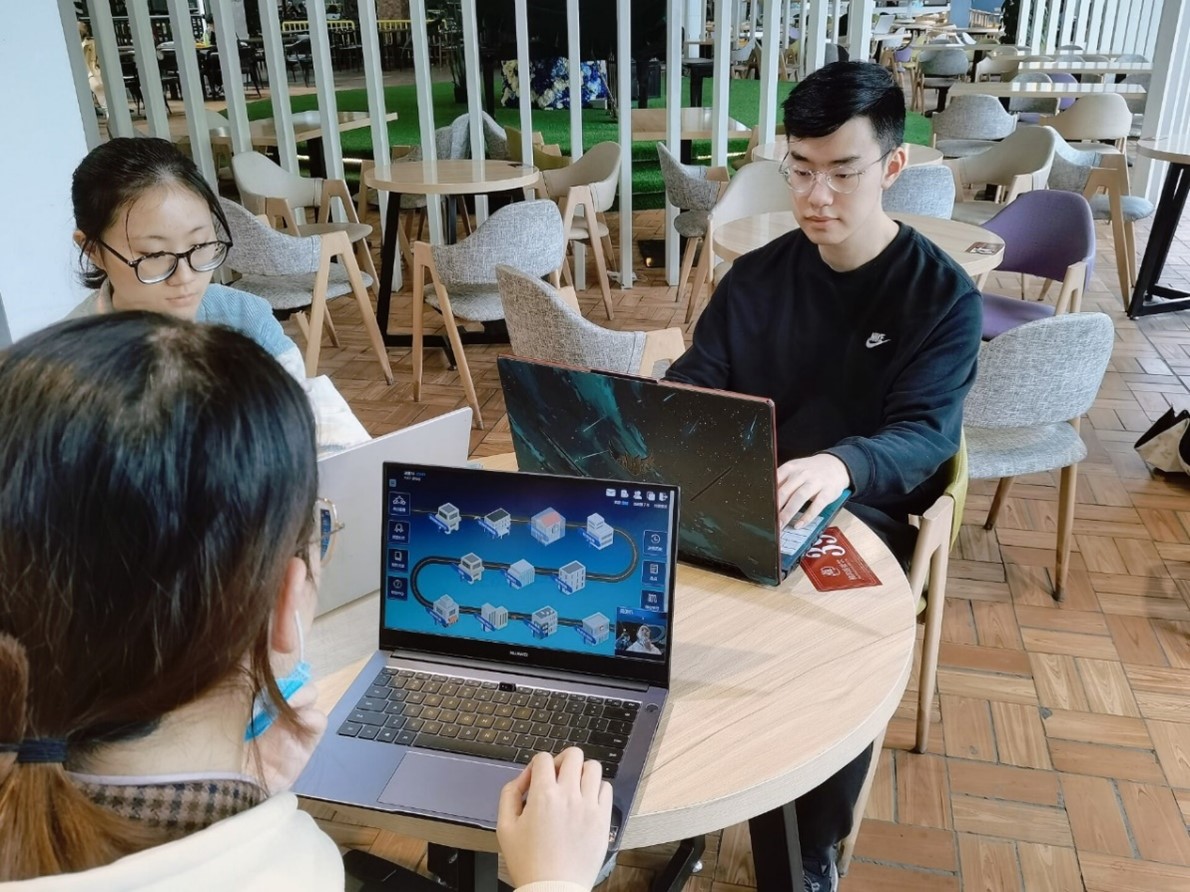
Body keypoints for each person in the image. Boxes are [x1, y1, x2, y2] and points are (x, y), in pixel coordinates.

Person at [0, 312, 613, 890]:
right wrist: (553, 878)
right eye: (320, 524)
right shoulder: (295, 872)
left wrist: (247, 790)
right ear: (283, 604)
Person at [666, 61, 981, 891]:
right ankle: (665, 789)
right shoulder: (756, 277)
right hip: (744, 495)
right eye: (800, 171)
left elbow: (925, 436)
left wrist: (841, 462)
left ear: (893, 166)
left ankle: (807, 851)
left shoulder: (940, 297)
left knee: (832, 655)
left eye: (843, 172)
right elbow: (702, 376)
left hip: (863, 515)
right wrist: (667, 408)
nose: (816, 197)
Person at [68, 137, 369, 452]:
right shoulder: (67, 365)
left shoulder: (243, 318)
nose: (186, 277)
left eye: (200, 246)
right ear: (93, 251)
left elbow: (303, 419)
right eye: (154, 255)